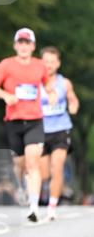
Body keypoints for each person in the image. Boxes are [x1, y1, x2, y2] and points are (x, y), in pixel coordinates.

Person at [0, 28, 57, 223]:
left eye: (27, 43)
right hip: (14, 122)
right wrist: (6, 96)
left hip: (35, 120)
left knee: (33, 163)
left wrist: (51, 94)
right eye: (21, 42)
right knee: (20, 164)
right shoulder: (6, 65)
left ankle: (33, 207)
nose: (24, 46)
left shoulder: (40, 66)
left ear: (33, 46)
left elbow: (48, 84)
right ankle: (22, 186)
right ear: (15, 45)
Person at [39, 46, 79, 221]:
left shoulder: (65, 83)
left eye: (52, 62)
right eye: (46, 61)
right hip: (40, 130)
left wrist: (73, 106)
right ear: (41, 62)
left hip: (61, 129)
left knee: (58, 167)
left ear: (58, 63)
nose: (49, 65)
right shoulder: (36, 83)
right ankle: (39, 191)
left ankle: (53, 207)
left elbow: (72, 98)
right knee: (44, 174)